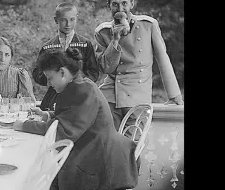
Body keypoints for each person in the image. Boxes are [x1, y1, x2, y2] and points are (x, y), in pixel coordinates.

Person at [13, 48, 139, 190]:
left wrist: (24, 125)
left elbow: (63, 131)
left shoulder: (82, 90)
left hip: (102, 160)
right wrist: (47, 115)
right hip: (96, 148)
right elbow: (73, 115)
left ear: (62, 72)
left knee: (45, 173)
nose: (49, 83)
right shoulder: (80, 84)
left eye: (50, 78)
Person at [94, 0, 183, 130]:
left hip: (137, 98)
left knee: (132, 146)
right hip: (109, 97)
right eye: (115, 4)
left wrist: (174, 95)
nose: (120, 9)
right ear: (109, 5)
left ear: (132, 3)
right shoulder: (103, 32)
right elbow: (106, 68)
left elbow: (163, 59)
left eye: (124, 3)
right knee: (107, 145)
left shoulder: (148, 25)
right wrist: (115, 39)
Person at [32, 2, 99, 112]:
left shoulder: (85, 44)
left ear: (76, 19)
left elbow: (94, 72)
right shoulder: (48, 46)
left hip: (79, 93)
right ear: (56, 20)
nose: (68, 24)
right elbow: (37, 72)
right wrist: (51, 79)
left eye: (72, 19)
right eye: (63, 20)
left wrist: (79, 80)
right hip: (54, 95)